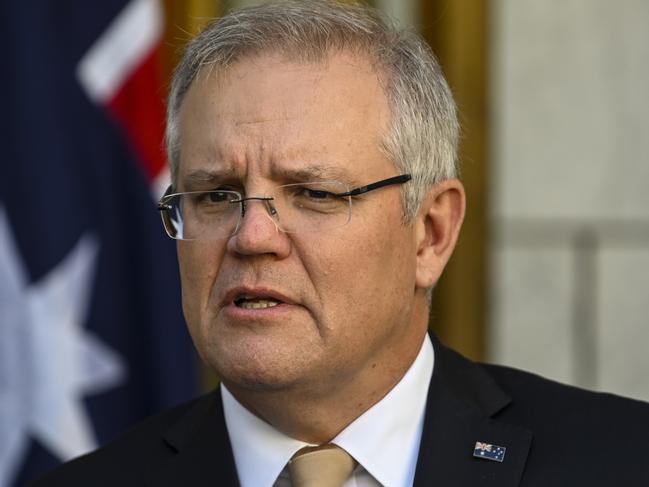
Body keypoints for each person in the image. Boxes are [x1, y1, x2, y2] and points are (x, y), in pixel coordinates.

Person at [33, 1, 649, 486]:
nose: (251, 237)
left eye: (314, 194)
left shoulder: (622, 461)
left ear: (430, 233)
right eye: (217, 195)